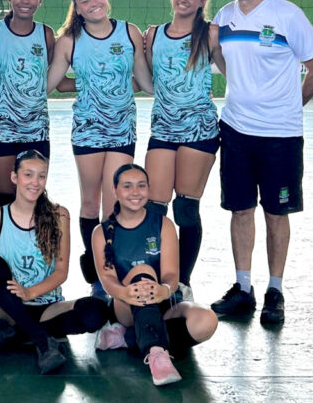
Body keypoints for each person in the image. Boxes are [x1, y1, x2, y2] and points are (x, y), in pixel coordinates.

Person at [209, 0, 313, 325]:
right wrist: (239, 85)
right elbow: (219, 57)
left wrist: (293, 105)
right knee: (240, 209)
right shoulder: (224, 17)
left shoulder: (287, 15)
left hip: (280, 136)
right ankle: (243, 288)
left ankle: (274, 291)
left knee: (277, 213)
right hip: (236, 130)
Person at [45, 0, 152, 298]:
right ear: (77, 8)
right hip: (87, 130)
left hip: (121, 129)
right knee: (90, 203)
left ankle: (112, 272)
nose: (94, 3)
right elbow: (50, 84)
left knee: (113, 203)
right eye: (85, 0)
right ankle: (95, 275)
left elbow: (145, 83)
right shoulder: (69, 41)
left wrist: (159, 52)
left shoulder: (129, 32)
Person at [0, 150, 109, 374]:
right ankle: (42, 341)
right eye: (28, 175)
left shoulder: (59, 215)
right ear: (14, 177)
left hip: (47, 308)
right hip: (5, 310)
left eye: (41, 176)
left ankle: (16, 333)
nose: (35, 182)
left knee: (96, 312)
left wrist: (29, 292)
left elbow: (61, 272)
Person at [91, 164, 218, 387]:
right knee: (143, 272)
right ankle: (157, 354)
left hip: (163, 301)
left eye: (141, 186)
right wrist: (125, 293)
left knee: (207, 321)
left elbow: (171, 275)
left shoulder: (163, 224)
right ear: (115, 190)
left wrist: (164, 290)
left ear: (149, 189)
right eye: (127, 186)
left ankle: (129, 338)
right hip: (126, 304)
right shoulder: (101, 232)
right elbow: (107, 279)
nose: (135, 192)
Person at [143, 0, 221, 301]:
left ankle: (183, 284)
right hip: (163, 129)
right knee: (153, 211)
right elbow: (148, 79)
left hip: (199, 131)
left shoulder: (211, 33)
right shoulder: (153, 35)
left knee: (186, 209)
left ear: (203, 0)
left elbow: (236, 72)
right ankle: (155, 278)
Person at [0, 0, 59, 208]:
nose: (26, 0)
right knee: (6, 201)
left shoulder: (46, 34)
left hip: (35, 129)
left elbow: (53, 76)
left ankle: (36, 236)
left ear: (40, 0)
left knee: (33, 199)